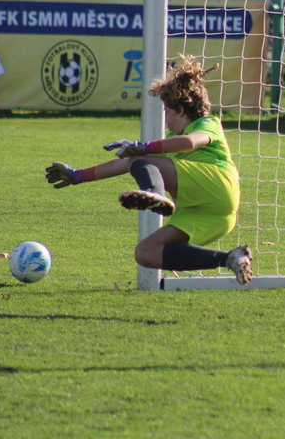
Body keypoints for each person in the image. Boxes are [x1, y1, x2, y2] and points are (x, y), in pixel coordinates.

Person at [45, 56, 253, 284]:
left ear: (180, 110)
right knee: (146, 252)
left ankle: (155, 193)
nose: (165, 119)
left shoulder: (206, 123)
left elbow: (190, 142)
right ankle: (230, 258)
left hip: (218, 186)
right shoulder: (171, 143)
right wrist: (78, 175)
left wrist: (144, 147)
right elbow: (128, 163)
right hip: (214, 215)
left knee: (140, 158)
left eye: (166, 111)